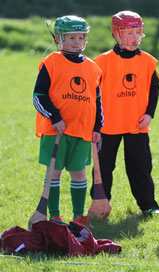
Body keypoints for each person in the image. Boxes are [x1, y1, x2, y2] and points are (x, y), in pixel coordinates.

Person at [89, 11, 159, 217]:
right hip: (107, 126)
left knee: (141, 166)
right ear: (116, 35)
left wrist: (149, 114)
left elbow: (154, 88)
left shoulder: (148, 61)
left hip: (137, 125)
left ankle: (148, 204)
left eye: (137, 32)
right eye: (128, 33)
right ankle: (100, 202)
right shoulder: (101, 62)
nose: (134, 37)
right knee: (103, 167)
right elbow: (92, 93)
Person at [33, 15, 103, 225]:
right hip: (57, 131)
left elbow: (97, 101)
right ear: (58, 38)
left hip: (82, 131)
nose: (76, 42)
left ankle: (78, 216)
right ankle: (54, 215)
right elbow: (39, 96)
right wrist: (54, 117)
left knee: (79, 174)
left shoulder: (92, 67)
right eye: (71, 37)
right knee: (54, 172)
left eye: (80, 37)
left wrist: (97, 127)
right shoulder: (51, 62)